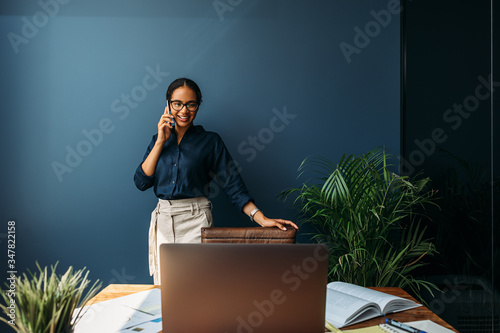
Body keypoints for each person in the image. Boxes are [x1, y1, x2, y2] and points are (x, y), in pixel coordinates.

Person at [134, 78, 298, 283]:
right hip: (164, 221)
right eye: (177, 104)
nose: (184, 111)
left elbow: (233, 185)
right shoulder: (157, 140)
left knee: (197, 287)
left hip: (195, 221)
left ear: (198, 106)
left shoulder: (210, 141)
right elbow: (141, 182)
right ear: (167, 104)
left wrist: (261, 218)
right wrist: (160, 141)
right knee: (165, 291)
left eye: (191, 104)